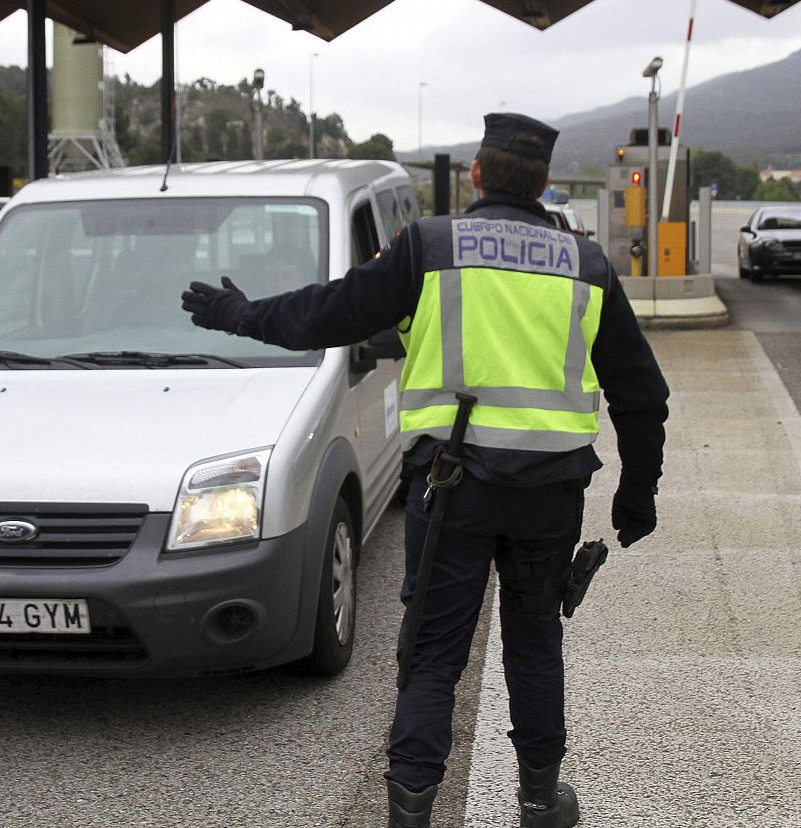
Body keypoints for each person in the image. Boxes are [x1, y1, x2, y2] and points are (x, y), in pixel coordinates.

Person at [180, 113, 670, 828]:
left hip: (453, 490)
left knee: (434, 654)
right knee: (534, 642)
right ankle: (540, 799)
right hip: (548, 498)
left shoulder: (430, 247)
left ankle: (409, 816)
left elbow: (330, 313)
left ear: (476, 173)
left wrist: (239, 312)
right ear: (544, 183)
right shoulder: (585, 262)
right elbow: (642, 394)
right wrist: (637, 495)